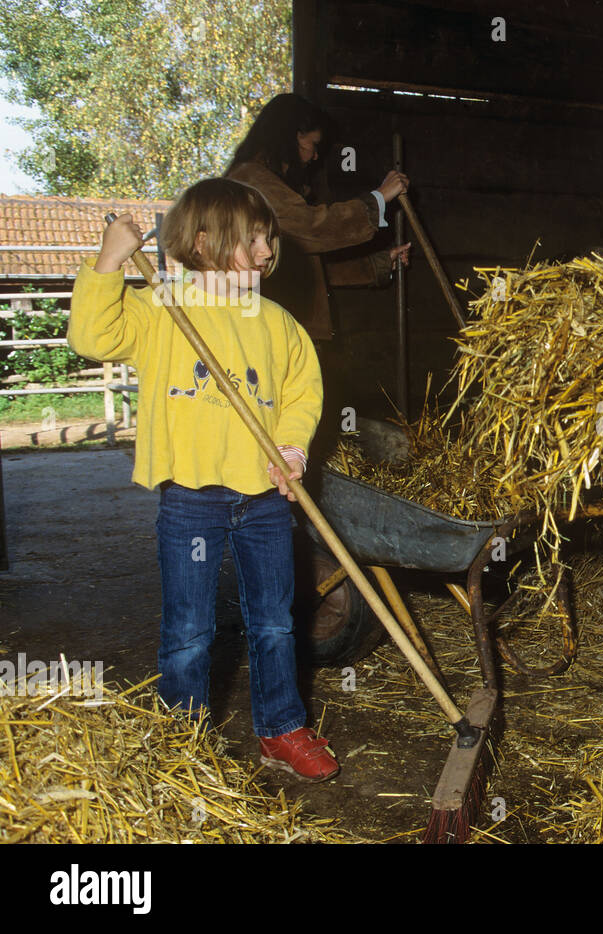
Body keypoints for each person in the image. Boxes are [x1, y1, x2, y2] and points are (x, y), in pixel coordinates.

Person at [68, 178, 339, 782]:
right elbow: (91, 336)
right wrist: (111, 259)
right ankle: (180, 740)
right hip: (191, 497)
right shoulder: (162, 307)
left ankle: (281, 727)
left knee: (274, 620)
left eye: (269, 239)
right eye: (254, 239)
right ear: (202, 240)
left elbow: (302, 390)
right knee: (189, 629)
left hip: (265, 497)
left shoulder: (277, 322)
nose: (268, 250)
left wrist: (293, 449)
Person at [225, 92, 410, 342]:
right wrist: (378, 198)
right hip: (268, 332)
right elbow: (312, 227)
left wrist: (379, 263)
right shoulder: (252, 182)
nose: (314, 156)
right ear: (292, 138)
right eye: (313, 145)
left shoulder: (262, 181)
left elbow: (308, 262)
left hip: (284, 329)